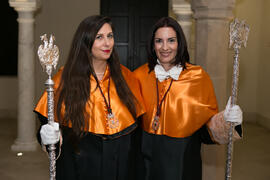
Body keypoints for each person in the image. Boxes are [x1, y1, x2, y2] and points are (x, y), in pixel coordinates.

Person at [34, 15, 145, 180]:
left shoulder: (127, 77)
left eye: (110, 36)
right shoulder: (64, 80)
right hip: (81, 168)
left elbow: (137, 138)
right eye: (99, 37)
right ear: (85, 41)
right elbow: (50, 127)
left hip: (121, 168)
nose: (107, 43)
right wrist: (46, 138)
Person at [133, 17, 242, 180]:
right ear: (152, 45)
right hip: (147, 165)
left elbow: (207, 132)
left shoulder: (197, 77)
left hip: (183, 164)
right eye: (159, 41)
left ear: (179, 43)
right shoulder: (138, 76)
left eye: (171, 40)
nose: (165, 47)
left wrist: (228, 121)